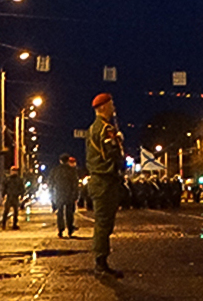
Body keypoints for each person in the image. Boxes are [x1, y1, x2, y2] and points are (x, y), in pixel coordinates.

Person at [85, 92, 126, 277]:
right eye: (111, 104)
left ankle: (101, 261)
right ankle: (100, 263)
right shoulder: (104, 128)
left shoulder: (95, 128)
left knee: (104, 223)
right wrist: (118, 143)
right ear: (102, 107)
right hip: (105, 181)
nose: (114, 108)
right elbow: (112, 154)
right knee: (103, 223)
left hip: (101, 180)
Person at [51, 155, 81, 237]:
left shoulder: (55, 170)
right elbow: (75, 184)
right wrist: (76, 195)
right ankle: (70, 230)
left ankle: (60, 230)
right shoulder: (72, 171)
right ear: (68, 161)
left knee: (60, 213)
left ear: (60, 161)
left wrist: (52, 196)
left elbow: (51, 183)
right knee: (69, 213)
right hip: (69, 194)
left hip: (58, 194)